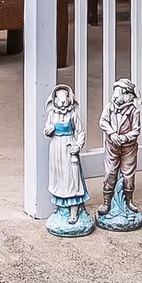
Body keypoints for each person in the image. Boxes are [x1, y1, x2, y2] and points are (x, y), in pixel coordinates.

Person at [44, 84, 93, 236]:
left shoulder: (72, 115)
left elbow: (81, 131)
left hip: (68, 147)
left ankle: (74, 211)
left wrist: (77, 145)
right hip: (56, 148)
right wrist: (49, 130)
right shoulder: (52, 115)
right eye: (59, 99)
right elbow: (46, 129)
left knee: (71, 178)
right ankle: (61, 208)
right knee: (58, 176)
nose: (62, 102)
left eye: (64, 98)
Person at [97, 78, 142, 229]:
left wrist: (124, 138)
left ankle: (128, 201)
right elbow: (103, 122)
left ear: (127, 95)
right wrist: (112, 134)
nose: (115, 97)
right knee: (110, 172)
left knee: (128, 174)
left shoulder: (134, 111)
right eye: (114, 94)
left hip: (128, 147)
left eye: (118, 94)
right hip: (112, 145)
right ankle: (106, 202)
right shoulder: (110, 107)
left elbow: (136, 130)